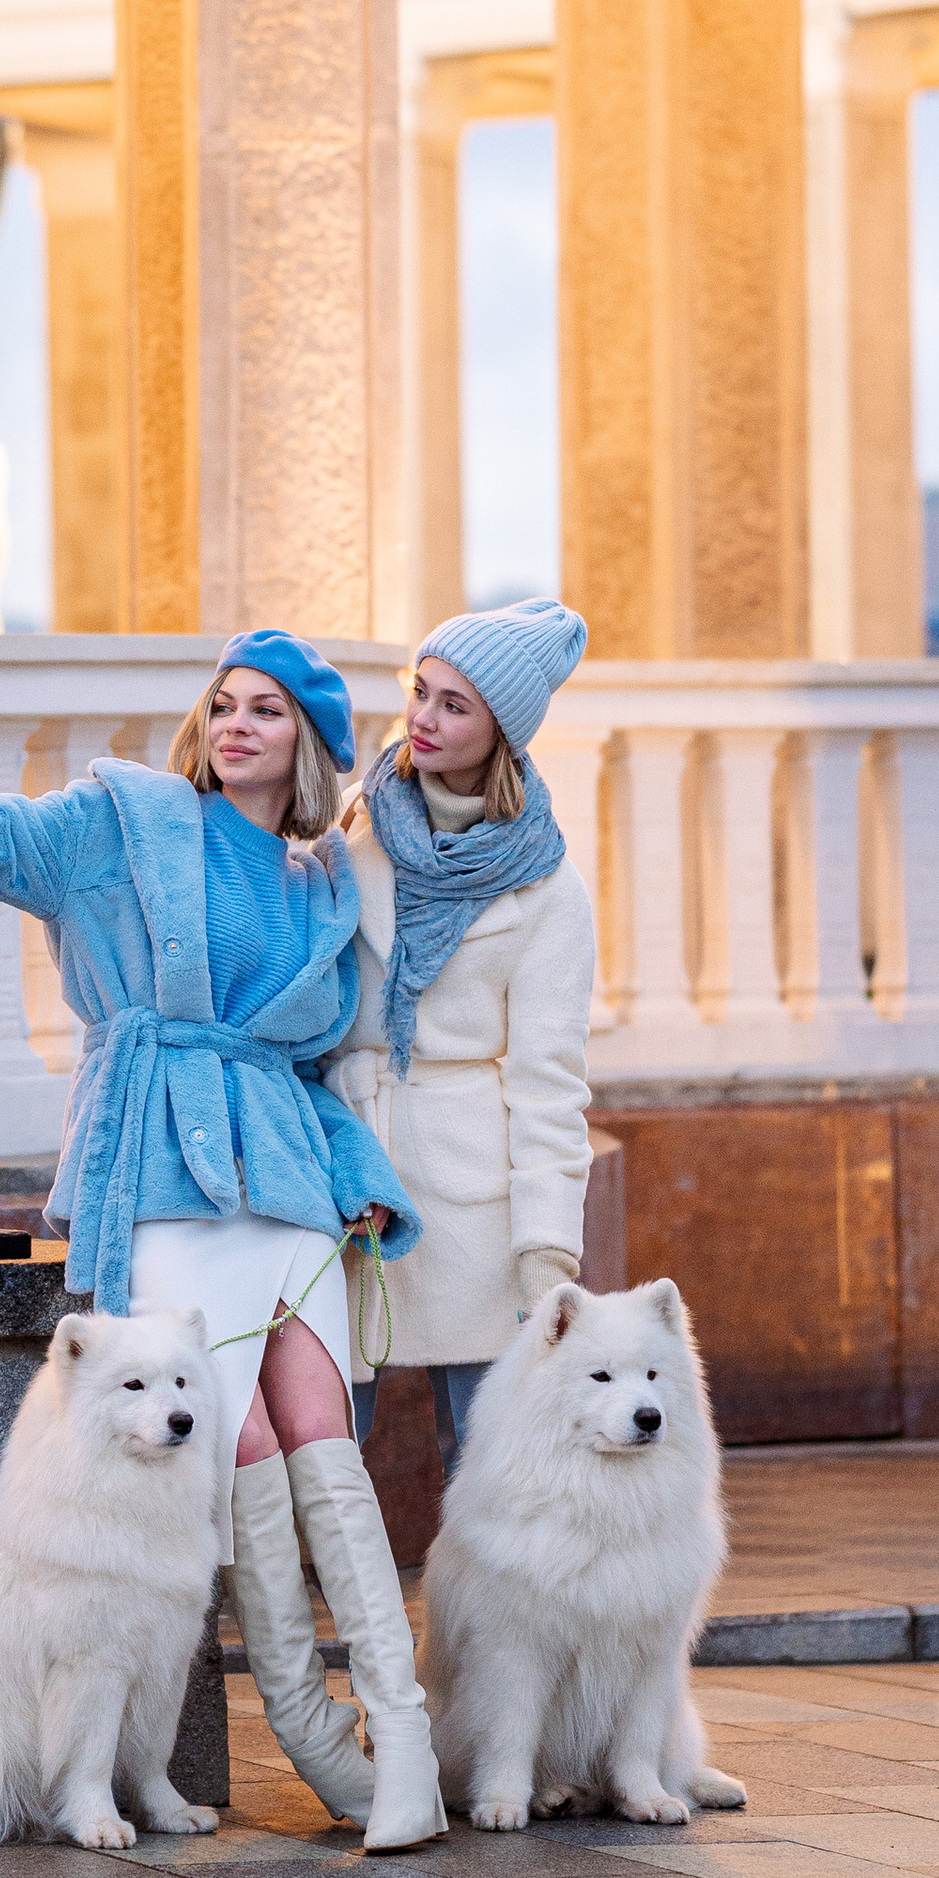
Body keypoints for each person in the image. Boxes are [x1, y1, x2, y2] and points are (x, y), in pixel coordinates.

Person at [0, 632, 448, 1851]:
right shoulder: (123, 820)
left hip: (283, 1194)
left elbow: (318, 1068)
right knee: (241, 1464)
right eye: (223, 704)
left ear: (309, 744)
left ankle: (408, 1752)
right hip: (166, 1190)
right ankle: (329, 1755)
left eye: (267, 711)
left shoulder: (322, 879)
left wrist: (358, 1182)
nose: (234, 725)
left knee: (327, 1456)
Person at [326, 601, 596, 1483]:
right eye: (422, 691)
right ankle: (325, 1624)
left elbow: (549, 1081)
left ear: (501, 733)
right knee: (323, 1444)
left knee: (492, 1462)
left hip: (473, 1190)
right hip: (349, 1162)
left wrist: (545, 1248)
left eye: (455, 704)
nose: (424, 719)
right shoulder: (354, 825)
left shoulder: (548, 885)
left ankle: (495, 1625)